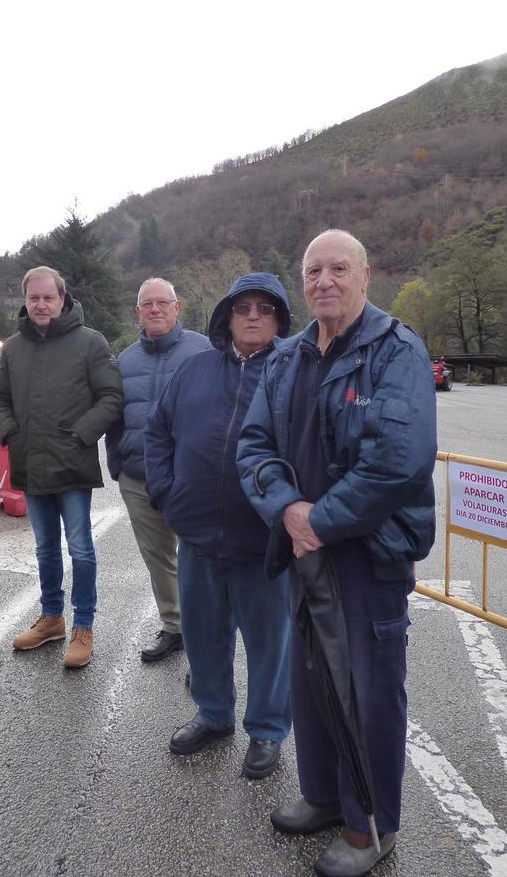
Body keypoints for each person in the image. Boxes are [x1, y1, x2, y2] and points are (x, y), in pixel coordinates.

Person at [237, 230, 437, 876]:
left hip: (366, 556)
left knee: (369, 692)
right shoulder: (287, 357)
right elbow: (254, 447)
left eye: (338, 268)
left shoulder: (397, 351)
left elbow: (397, 463)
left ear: (365, 275)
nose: (324, 280)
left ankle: (370, 826)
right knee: (312, 678)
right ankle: (324, 795)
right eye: (313, 270)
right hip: (303, 547)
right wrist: (287, 510)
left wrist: (319, 520)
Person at [146, 272, 293, 780]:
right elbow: (158, 433)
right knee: (204, 634)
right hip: (199, 536)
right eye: (242, 307)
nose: (253, 316)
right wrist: (168, 494)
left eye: (265, 309)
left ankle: (268, 731)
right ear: (225, 316)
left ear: (280, 319)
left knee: (270, 642)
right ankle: (213, 715)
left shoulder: (292, 372)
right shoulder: (194, 371)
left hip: (265, 542)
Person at [0, 266, 123, 669]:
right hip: (30, 463)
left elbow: (112, 397)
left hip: (72, 465)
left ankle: (83, 626)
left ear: (63, 299)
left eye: (49, 297)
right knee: (45, 548)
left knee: (81, 548)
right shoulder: (13, 347)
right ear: (26, 301)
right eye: (35, 298)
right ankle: (52, 619)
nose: (42, 304)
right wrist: (12, 434)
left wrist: (81, 435)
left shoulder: (89, 342)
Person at [106, 277, 211, 663]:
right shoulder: (126, 359)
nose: (155, 309)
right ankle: (174, 627)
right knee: (158, 557)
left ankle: (204, 640)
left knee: (199, 560)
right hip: (138, 477)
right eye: (146, 304)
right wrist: (117, 464)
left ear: (176, 306)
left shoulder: (203, 350)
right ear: (138, 312)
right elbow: (115, 416)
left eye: (162, 302)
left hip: (189, 477)